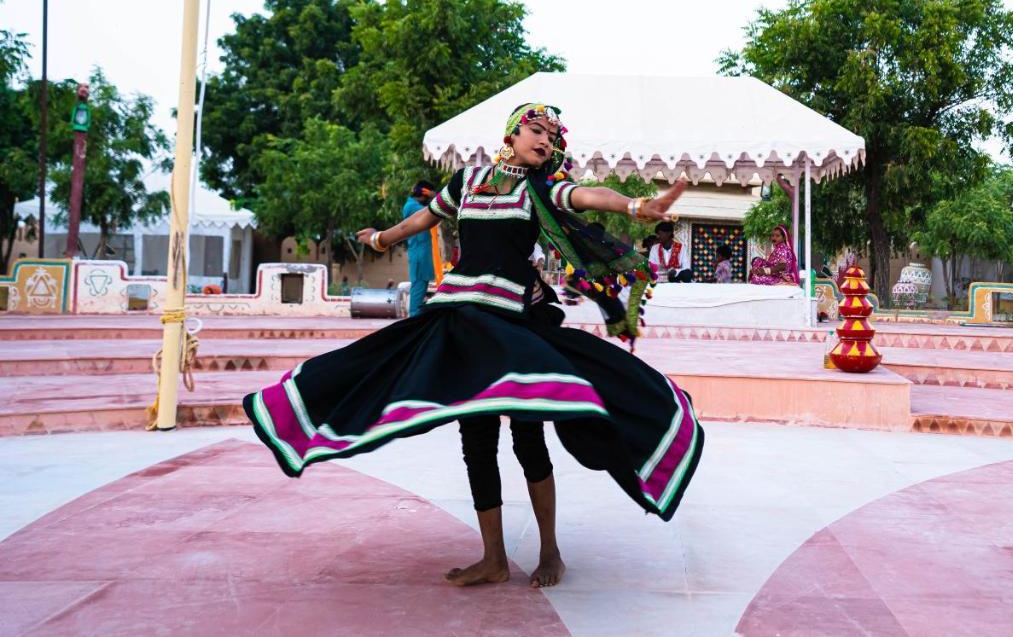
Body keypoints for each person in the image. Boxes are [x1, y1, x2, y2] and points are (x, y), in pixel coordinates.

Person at [242, 102, 703, 591]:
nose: (544, 141)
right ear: (512, 131)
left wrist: (634, 206)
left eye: (551, 137)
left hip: (514, 326)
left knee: (529, 440)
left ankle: (550, 550)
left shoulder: (539, 188)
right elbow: (424, 220)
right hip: (461, 319)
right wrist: (381, 238)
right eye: (536, 129)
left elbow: (587, 195)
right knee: (476, 440)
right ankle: (493, 558)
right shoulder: (467, 181)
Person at [403, 180, 436, 316]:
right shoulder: (412, 207)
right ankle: (413, 319)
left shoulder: (413, 205)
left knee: (420, 287)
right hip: (419, 255)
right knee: (418, 286)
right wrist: (435, 197)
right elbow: (434, 211)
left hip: (420, 253)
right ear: (425, 193)